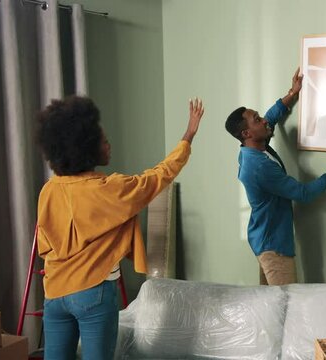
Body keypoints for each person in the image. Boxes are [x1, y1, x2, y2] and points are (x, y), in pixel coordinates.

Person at [35, 95, 204, 360]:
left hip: (54, 294)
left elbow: (45, 245)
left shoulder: (49, 190)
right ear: (86, 148)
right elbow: (158, 177)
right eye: (103, 140)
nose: (108, 144)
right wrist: (188, 136)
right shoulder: (110, 189)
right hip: (93, 292)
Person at [225, 69, 326, 286]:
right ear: (246, 134)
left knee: (270, 305)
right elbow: (303, 193)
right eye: (256, 120)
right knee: (286, 306)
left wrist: (292, 93)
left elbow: (270, 119)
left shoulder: (253, 147)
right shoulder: (259, 166)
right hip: (274, 248)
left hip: (263, 238)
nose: (263, 121)